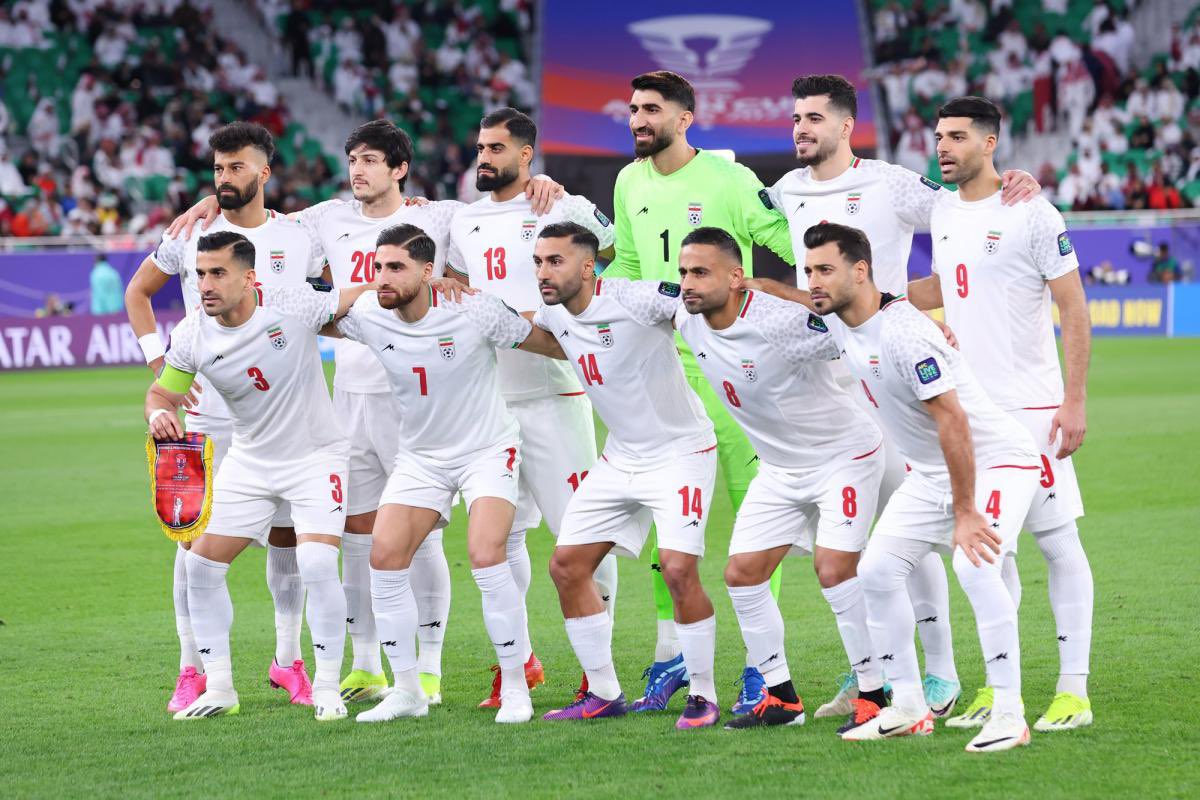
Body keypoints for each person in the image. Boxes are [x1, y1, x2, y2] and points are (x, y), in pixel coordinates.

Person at [167, 119, 562, 705]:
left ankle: (429, 667)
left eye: (372, 160)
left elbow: (497, 217)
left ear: (400, 169)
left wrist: (540, 186)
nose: (358, 170)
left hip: (421, 403)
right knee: (357, 533)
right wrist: (214, 202)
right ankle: (367, 663)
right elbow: (254, 217)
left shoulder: (441, 217)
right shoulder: (325, 219)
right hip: (349, 397)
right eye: (353, 159)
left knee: (422, 537)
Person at [754, 74, 1040, 719]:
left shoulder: (890, 184)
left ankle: (939, 675)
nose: (801, 129)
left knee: (908, 542)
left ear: (845, 126)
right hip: (825, 383)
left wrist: (1013, 185)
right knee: (859, 544)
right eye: (796, 118)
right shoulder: (784, 191)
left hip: (893, 379)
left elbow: (969, 209)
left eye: (814, 118)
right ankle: (877, 675)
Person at [598, 69, 795, 715]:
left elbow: (788, 241)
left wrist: (775, 292)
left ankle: (762, 668)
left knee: (757, 514)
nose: (637, 119)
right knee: (669, 523)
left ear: (684, 119)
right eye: (633, 109)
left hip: (734, 373)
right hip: (661, 374)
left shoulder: (729, 180)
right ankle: (673, 654)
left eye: (651, 109)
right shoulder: (629, 181)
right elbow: (628, 267)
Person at [800, 222, 1039, 753]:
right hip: (933, 473)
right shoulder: (840, 317)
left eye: (825, 270)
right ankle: (908, 707)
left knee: (974, 565)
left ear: (860, 272)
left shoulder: (905, 333)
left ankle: (1009, 713)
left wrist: (966, 511)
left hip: (997, 462)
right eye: (809, 269)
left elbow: (953, 420)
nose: (813, 281)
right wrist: (753, 285)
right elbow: (798, 299)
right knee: (877, 572)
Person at [907, 96, 1095, 732]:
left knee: (1057, 541)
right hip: (972, 412)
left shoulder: (1033, 212)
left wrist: (1074, 399)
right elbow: (948, 284)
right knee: (993, 551)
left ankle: (1073, 691)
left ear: (990, 143)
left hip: (1032, 409)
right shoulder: (941, 209)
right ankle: (997, 684)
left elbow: (1073, 307)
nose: (943, 147)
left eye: (957, 136)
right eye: (939, 136)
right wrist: (880, 297)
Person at [125, 122, 323, 714]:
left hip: (281, 420)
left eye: (237, 167)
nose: (225, 178)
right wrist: (159, 363)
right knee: (192, 544)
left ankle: (288, 660)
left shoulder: (299, 236)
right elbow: (138, 293)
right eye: (218, 168)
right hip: (204, 417)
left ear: (264, 172)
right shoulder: (190, 234)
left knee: (287, 536)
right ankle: (192, 667)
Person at [330, 224, 564, 725]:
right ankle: (408, 692)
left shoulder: (473, 309)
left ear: (427, 271)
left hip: (487, 450)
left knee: (486, 554)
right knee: (384, 556)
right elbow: (312, 314)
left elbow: (549, 344)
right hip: (421, 457)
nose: (382, 277)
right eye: (377, 267)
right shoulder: (369, 313)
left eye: (395, 267)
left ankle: (516, 686)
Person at [145, 231, 370, 721]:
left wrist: (430, 285)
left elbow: (362, 293)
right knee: (200, 566)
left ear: (249, 278)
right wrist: (158, 414)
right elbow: (162, 394)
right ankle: (220, 688)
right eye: (200, 274)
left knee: (315, 562)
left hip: (315, 458)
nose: (205, 284)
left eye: (217, 273)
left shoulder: (291, 304)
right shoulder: (192, 333)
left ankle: (326, 687)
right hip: (250, 461)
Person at [673, 227, 886, 730]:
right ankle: (782, 699)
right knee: (742, 575)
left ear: (736, 277)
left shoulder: (780, 321)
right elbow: (614, 297)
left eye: (701, 272)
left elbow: (859, 325)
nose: (687, 283)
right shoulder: (684, 315)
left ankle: (875, 693)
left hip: (843, 457)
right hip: (780, 469)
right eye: (683, 272)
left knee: (834, 571)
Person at [445, 107, 619, 706]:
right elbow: (452, 284)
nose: (484, 157)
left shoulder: (555, 205)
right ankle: (518, 662)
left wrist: (564, 197)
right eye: (480, 147)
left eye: (496, 148)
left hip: (554, 392)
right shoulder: (463, 220)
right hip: (488, 401)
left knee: (583, 532)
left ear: (525, 155)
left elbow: (612, 246)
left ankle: (598, 668)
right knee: (504, 537)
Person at [523, 223, 723, 730]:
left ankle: (703, 693)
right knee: (567, 566)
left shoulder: (635, 298)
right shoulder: (553, 311)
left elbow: (687, 302)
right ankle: (604, 693)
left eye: (555, 261)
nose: (544, 272)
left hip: (681, 453)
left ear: (588, 266)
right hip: (619, 457)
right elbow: (534, 330)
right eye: (539, 261)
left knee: (677, 570)